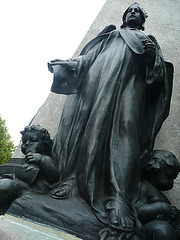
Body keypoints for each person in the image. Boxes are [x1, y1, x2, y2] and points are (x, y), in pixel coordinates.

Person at [48, 2, 173, 236]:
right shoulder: (111, 34)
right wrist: (69, 64)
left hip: (130, 88)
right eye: (130, 10)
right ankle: (71, 181)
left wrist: (151, 57)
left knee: (127, 132)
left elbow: (157, 79)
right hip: (97, 84)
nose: (133, 12)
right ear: (125, 16)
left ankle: (119, 199)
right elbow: (87, 58)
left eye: (138, 11)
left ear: (143, 20)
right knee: (88, 129)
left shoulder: (148, 41)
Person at [0, 125, 59, 213]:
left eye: (33, 140)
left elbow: (55, 177)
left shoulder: (45, 159)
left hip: (30, 190)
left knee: (6, 185)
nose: (27, 143)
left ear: (44, 144)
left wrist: (41, 159)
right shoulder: (19, 161)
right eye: (24, 141)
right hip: (13, 183)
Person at [136, 150, 180, 240]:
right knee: (162, 230)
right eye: (168, 177)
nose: (171, 182)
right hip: (148, 229)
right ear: (154, 171)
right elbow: (136, 210)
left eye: (173, 179)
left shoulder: (160, 195)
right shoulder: (144, 187)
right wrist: (161, 208)